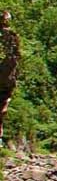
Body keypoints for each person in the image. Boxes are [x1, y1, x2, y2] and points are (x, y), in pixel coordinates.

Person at [0, 11, 21, 143]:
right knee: (2, 110)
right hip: (6, 78)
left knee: (2, 110)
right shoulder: (11, 35)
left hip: (6, 78)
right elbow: (17, 55)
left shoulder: (10, 35)